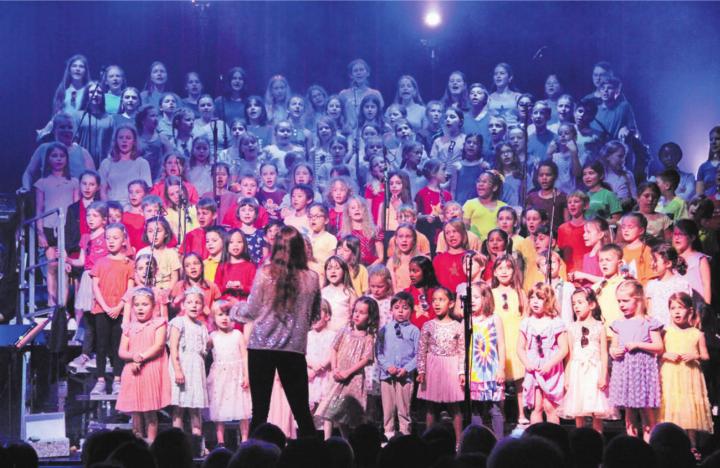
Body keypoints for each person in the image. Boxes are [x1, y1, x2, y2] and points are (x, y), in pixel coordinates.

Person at [228, 226, 321, 438]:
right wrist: (295, 326)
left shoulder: (265, 274)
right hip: (293, 350)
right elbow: (314, 315)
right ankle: (316, 457)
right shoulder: (312, 278)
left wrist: (232, 308)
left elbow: (250, 311)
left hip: (261, 348)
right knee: (302, 412)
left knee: (259, 411)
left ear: (276, 246)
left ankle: (252, 458)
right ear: (300, 248)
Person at [315, 296, 378, 439]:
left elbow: (366, 359)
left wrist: (348, 372)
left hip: (353, 379)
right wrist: (335, 368)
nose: (356, 314)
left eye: (361, 312)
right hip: (338, 377)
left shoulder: (368, 337)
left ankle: (349, 443)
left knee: (346, 415)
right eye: (355, 311)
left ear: (369, 317)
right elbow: (334, 348)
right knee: (330, 410)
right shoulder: (345, 330)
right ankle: (327, 440)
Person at [609, 279, 664, 442]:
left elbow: (659, 347)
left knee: (647, 414)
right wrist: (614, 352)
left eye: (625, 301)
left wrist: (639, 345)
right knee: (629, 414)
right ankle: (632, 448)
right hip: (625, 372)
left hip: (642, 373)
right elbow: (613, 346)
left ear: (638, 299)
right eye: (619, 301)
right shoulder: (618, 324)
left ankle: (649, 448)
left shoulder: (649, 323)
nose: (621, 304)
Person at [116, 288, 171, 443]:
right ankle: (137, 443)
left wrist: (140, 357)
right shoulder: (128, 327)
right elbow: (121, 351)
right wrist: (133, 357)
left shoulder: (159, 323)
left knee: (149, 410)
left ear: (153, 306)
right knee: (136, 411)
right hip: (133, 371)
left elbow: (159, 345)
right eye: (137, 305)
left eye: (145, 304)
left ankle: (152, 444)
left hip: (150, 370)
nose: (140, 308)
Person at [660, 292, 713, 450]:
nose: (676, 311)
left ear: (690, 311)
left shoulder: (697, 333)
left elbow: (705, 356)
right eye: (673, 308)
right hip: (670, 375)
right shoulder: (665, 332)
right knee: (672, 408)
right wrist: (665, 354)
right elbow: (659, 353)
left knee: (689, 410)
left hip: (690, 376)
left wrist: (694, 355)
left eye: (681, 308)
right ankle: (669, 446)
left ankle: (691, 446)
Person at [561, 287, 614, 433]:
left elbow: (604, 353)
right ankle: (580, 440)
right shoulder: (571, 328)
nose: (576, 306)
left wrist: (603, 375)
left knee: (597, 410)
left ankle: (599, 441)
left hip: (594, 370)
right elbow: (570, 356)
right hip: (577, 371)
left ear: (591, 304)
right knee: (578, 409)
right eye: (573, 303)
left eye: (580, 302)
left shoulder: (599, 327)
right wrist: (567, 377)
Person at [89, 223, 134, 395]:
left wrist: (119, 306)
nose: (111, 241)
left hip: (120, 311)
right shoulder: (100, 262)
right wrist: (107, 307)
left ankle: (117, 379)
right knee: (101, 345)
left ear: (124, 240)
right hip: (102, 310)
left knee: (117, 345)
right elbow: (95, 287)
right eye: (108, 238)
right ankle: (100, 380)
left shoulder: (128, 263)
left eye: (115, 238)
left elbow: (130, 288)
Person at [417, 287, 465, 444]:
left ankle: (459, 441)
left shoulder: (457, 326)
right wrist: (421, 370)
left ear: (451, 303)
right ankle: (428, 439)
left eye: (441, 300)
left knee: (454, 407)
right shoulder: (428, 325)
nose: (437, 303)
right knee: (431, 407)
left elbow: (462, 350)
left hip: (451, 366)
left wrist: (461, 372)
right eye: (434, 300)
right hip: (433, 367)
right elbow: (422, 349)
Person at [517, 283, 568, 424]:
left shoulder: (555, 322)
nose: (534, 301)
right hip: (534, 369)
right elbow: (520, 348)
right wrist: (527, 363)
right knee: (537, 406)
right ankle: (536, 442)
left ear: (548, 301)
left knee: (549, 406)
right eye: (532, 297)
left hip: (550, 370)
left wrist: (549, 365)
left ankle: (554, 441)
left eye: (539, 298)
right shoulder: (527, 322)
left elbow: (564, 348)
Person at [376, 292, 420, 440]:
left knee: (403, 409)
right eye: (396, 307)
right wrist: (387, 366)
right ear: (391, 310)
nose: (400, 311)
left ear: (411, 310)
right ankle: (388, 436)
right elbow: (379, 352)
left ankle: (405, 438)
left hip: (404, 377)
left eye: (405, 308)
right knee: (388, 410)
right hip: (387, 376)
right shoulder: (384, 329)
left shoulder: (414, 331)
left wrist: (406, 369)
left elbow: (419, 354)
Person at [208, 302, 253, 445]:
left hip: (237, 374)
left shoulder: (237, 335)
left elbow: (245, 355)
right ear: (213, 318)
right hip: (220, 376)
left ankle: (245, 439)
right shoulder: (212, 336)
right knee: (218, 406)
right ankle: (220, 441)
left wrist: (247, 375)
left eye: (227, 314)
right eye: (220, 315)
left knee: (242, 407)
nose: (224, 318)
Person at [169, 288, 210, 441]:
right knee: (179, 408)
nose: (194, 305)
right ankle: (176, 442)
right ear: (183, 305)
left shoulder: (202, 327)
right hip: (182, 368)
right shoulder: (178, 322)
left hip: (196, 370)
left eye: (198, 302)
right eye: (190, 302)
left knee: (195, 409)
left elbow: (204, 350)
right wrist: (178, 371)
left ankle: (197, 443)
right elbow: (173, 348)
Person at [468, 282, 506, 438]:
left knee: (494, 408)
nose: (472, 300)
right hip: (474, 370)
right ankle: (478, 440)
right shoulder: (468, 320)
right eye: (470, 297)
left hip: (491, 369)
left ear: (486, 298)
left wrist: (501, 368)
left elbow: (502, 345)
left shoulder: (494, 318)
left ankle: (499, 441)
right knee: (475, 407)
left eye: (476, 297)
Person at [99, 124, 152, 206]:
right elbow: (102, 191)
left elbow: (147, 192)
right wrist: (108, 209)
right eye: (121, 137)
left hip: (135, 209)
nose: (124, 141)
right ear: (116, 140)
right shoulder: (106, 163)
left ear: (134, 141)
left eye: (128, 138)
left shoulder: (142, 163)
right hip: (112, 209)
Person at [645, 242, 692, 327]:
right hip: (656, 332)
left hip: (676, 332)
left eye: (655, 260)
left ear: (668, 263)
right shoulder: (651, 285)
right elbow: (649, 311)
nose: (651, 264)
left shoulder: (681, 284)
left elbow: (686, 310)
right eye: (651, 260)